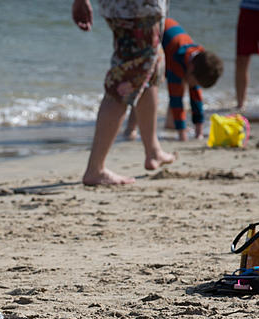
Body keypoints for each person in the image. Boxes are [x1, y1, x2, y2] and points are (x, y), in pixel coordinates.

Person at [71, 0, 176, 186]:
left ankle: (153, 150)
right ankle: (95, 169)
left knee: (151, 66)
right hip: (138, 9)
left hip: (132, 8)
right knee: (124, 81)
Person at [124, 18, 223, 142]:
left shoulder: (198, 61)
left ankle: (170, 124)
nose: (193, 85)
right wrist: (182, 134)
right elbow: (176, 98)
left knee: (182, 84)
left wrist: (199, 131)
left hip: (167, 36)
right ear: (191, 68)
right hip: (148, 35)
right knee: (143, 84)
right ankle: (130, 129)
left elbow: (196, 96)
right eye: (195, 82)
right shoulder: (177, 58)